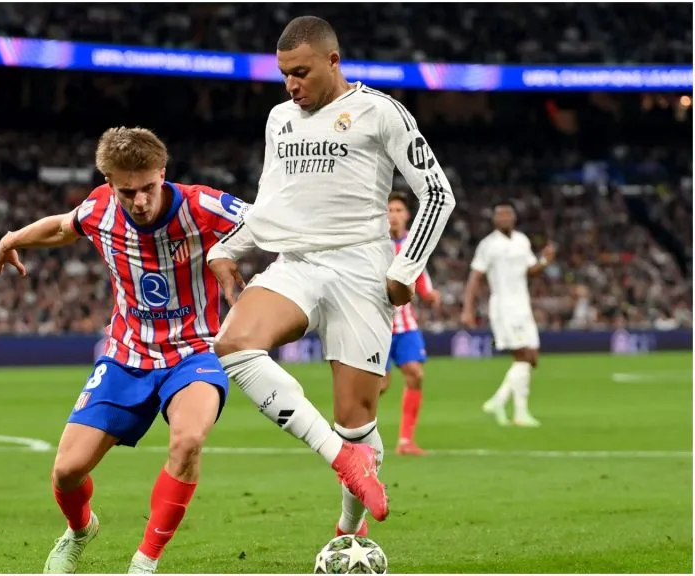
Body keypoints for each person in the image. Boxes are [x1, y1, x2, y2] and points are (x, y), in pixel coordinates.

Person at [205, 15, 456, 539]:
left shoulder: (379, 111)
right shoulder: (280, 119)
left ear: (333, 61)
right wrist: (227, 247)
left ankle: (347, 531)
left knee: (357, 418)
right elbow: (272, 206)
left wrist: (405, 267)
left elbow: (437, 193)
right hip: (298, 263)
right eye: (284, 75)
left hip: (361, 271)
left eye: (301, 72)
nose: (291, 85)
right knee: (233, 342)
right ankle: (341, 457)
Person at [0, 127, 247, 575]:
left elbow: (273, 223)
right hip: (126, 355)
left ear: (163, 174)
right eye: (127, 191)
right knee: (66, 472)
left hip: (195, 351)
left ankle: (144, 562)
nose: (141, 202)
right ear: (110, 183)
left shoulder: (201, 205)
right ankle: (79, 530)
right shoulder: (99, 208)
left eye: (149, 188)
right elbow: (62, 227)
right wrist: (14, 237)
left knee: (188, 441)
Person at [461, 200, 555, 427]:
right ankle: (506, 405)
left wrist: (545, 259)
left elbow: (531, 270)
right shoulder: (488, 245)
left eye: (507, 214)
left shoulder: (522, 240)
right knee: (523, 356)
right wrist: (467, 309)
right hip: (504, 307)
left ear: (514, 218)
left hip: (523, 306)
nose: (503, 218)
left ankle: (514, 409)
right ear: (494, 220)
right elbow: (475, 278)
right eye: (499, 215)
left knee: (532, 358)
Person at [379, 192, 441, 456]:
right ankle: (354, 437)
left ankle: (405, 441)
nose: (393, 214)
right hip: (377, 326)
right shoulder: (375, 245)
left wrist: (429, 294)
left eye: (398, 210)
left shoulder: (413, 246)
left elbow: (421, 276)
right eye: (389, 209)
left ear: (407, 216)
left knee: (415, 374)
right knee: (379, 386)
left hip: (405, 325)